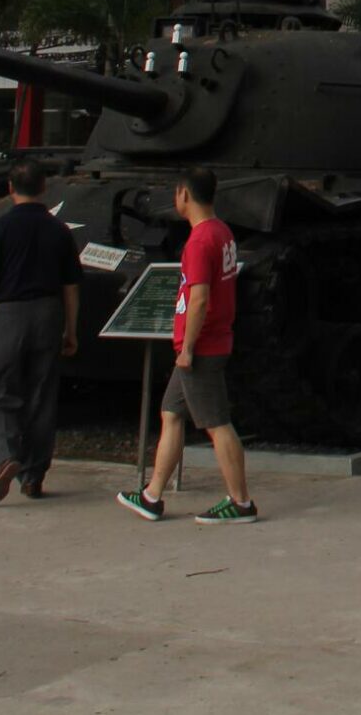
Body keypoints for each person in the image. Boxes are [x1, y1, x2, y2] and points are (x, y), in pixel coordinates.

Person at [116, 168, 258, 523]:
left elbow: (198, 298)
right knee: (172, 413)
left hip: (201, 346)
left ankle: (241, 502)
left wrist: (188, 347)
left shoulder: (198, 241)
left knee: (216, 422)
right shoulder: (221, 232)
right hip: (211, 339)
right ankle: (152, 495)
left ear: (183, 194)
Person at [0, 158, 82, 502]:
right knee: (41, 395)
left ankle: (6, 457)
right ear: (44, 188)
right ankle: (33, 476)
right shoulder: (59, 231)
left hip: (9, 314)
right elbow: (71, 287)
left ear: (9, 188)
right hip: (48, 312)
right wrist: (71, 329)